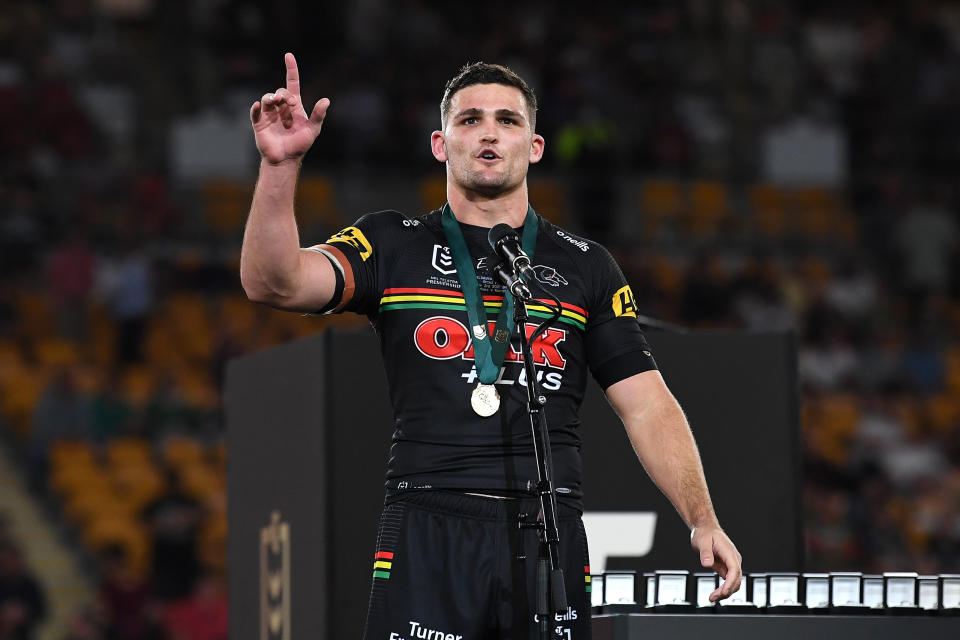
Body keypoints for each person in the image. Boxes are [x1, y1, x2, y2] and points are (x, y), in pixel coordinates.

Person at [241, 53, 741, 639]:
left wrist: (702, 518)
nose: (488, 132)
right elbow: (274, 283)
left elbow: (648, 405)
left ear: (534, 147)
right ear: (440, 143)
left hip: (549, 524)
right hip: (428, 518)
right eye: (470, 118)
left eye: (507, 120)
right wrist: (281, 168)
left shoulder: (586, 267)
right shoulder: (391, 243)